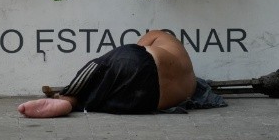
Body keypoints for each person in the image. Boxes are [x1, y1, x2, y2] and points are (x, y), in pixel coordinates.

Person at [18, 30, 198, 118]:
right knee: (105, 96)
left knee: (100, 67)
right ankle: (80, 104)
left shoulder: (162, 35)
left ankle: (67, 98)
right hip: (146, 100)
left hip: (144, 62)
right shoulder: (191, 81)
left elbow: (136, 49)